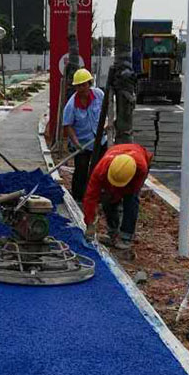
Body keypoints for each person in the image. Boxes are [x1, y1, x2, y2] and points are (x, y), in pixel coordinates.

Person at [83, 144, 153, 250]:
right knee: (108, 198)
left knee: (131, 200)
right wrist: (90, 222)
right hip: (116, 156)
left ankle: (126, 236)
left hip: (137, 164)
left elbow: (132, 189)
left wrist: (117, 195)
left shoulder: (141, 168)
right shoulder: (101, 169)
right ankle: (113, 232)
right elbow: (90, 196)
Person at [62, 68, 107, 203]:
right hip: (82, 142)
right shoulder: (71, 105)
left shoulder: (99, 95)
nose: (82, 88)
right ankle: (79, 197)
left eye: (84, 84)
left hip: (100, 140)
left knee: (100, 169)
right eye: (79, 85)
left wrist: (107, 123)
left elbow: (108, 109)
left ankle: (97, 195)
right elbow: (68, 126)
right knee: (81, 170)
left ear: (89, 83)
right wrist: (77, 144)